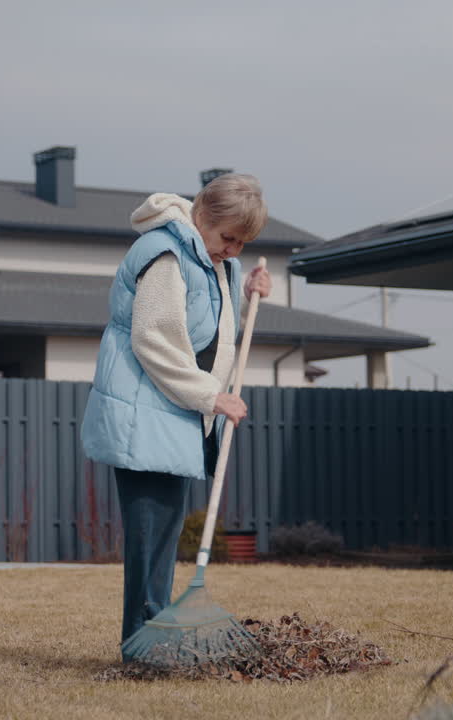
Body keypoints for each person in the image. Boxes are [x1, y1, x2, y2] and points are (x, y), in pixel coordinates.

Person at [80, 173, 273, 655]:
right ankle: (141, 646)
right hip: (144, 414)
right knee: (149, 541)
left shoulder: (209, 257)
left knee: (163, 538)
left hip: (173, 416)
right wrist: (212, 396)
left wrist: (245, 292)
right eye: (229, 238)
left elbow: (212, 331)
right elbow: (154, 340)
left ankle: (152, 642)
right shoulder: (166, 254)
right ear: (202, 216)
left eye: (242, 243)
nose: (233, 249)